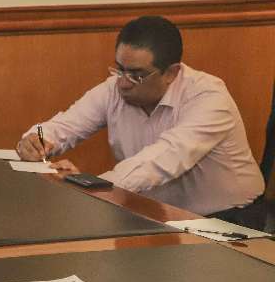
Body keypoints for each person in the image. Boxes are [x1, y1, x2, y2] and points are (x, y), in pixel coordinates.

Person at [16, 15, 264, 220]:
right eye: (119, 69)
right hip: (154, 213)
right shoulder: (114, 88)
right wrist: (36, 139)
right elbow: (62, 126)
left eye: (136, 75)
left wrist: (88, 185)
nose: (123, 83)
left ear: (171, 73)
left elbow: (161, 160)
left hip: (228, 219)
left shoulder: (208, 97)